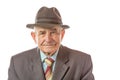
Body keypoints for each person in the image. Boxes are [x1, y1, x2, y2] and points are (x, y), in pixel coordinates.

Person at [8, 6, 94, 80]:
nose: (48, 39)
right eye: (42, 33)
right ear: (34, 36)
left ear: (62, 34)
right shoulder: (17, 63)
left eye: (53, 32)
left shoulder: (82, 62)